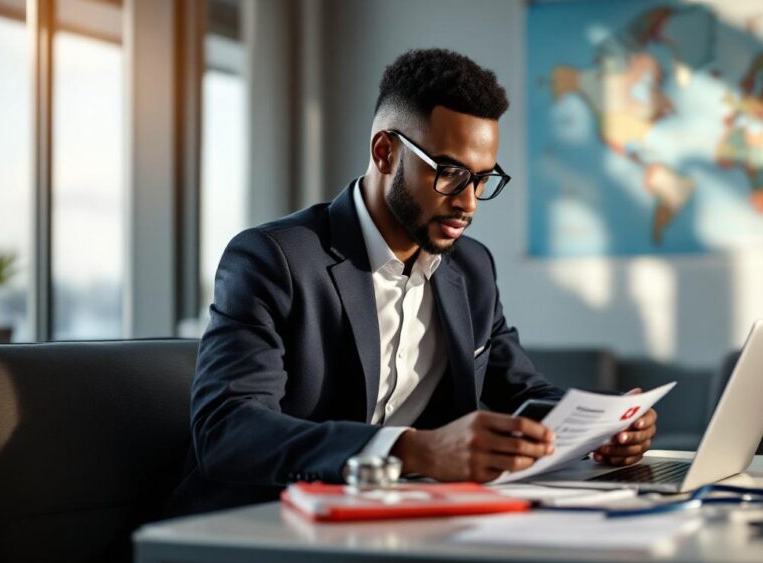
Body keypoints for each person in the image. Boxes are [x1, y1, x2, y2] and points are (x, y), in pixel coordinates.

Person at [166, 48, 657, 516]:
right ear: (385, 153)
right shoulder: (273, 259)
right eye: (450, 173)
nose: (468, 202)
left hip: (406, 530)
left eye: (483, 178)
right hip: (261, 533)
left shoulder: (472, 269)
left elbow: (522, 390)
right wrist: (412, 450)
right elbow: (226, 430)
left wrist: (604, 427)